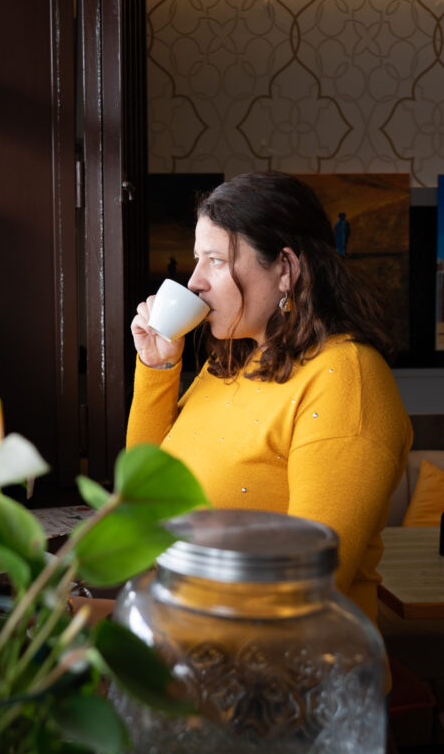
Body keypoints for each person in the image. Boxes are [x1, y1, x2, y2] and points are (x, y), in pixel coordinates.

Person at [128, 171, 412, 628]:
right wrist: (157, 367)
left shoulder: (346, 379)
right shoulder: (229, 363)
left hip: (281, 662)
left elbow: (307, 588)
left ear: (285, 269)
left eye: (216, 260)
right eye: (198, 259)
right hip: (181, 635)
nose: (195, 281)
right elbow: (142, 494)